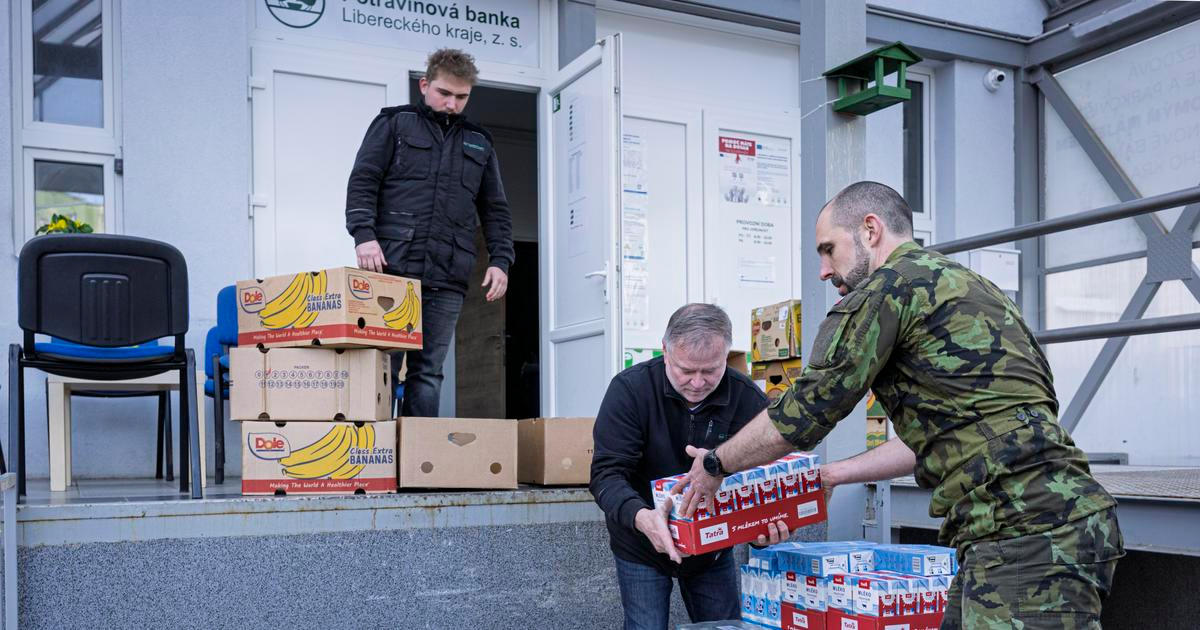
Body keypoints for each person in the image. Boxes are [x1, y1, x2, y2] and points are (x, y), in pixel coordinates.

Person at [673, 181, 1123, 629]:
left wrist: (715, 465)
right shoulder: (975, 288)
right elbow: (942, 437)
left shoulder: (887, 290)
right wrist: (833, 474)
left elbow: (805, 411)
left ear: (870, 230)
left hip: (1022, 532)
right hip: (1041, 523)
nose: (824, 271)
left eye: (828, 250)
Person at [590, 304, 790, 630]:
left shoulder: (748, 400)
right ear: (665, 351)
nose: (697, 383)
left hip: (713, 547)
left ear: (727, 355)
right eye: (686, 370)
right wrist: (642, 519)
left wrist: (762, 532)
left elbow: (767, 476)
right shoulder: (630, 390)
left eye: (711, 371)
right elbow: (606, 475)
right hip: (641, 541)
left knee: (723, 626)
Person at [345, 48, 514, 417]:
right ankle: (375, 457)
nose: (452, 104)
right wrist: (364, 235)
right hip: (388, 266)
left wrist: (501, 261)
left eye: (461, 96)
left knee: (429, 373)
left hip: (448, 274)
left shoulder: (479, 141)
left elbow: (495, 209)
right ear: (424, 85)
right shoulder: (394, 123)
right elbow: (363, 181)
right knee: (381, 365)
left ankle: (418, 466)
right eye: (444, 93)